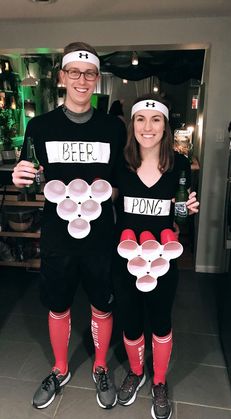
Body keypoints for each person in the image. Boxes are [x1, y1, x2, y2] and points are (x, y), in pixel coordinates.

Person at [12, 41, 126, 410]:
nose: (82, 79)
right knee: (58, 305)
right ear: (62, 77)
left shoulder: (113, 128)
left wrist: (108, 194)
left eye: (89, 73)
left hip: (99, 237)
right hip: (58, 235)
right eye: (74, 72)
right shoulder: (39, 126)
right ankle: (60, 369)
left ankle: (99, 366)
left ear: (97, 79)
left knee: (101, 305)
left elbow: (125, 182)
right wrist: (20, 176)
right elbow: (30, 176)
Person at [112, 94, 199, 419]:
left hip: (163, 260)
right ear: (132, 124)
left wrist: (187, 212)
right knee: (131, 321)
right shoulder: (120, 163)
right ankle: (137, 372)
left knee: (161, 321)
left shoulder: (178, 165)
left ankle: (159, 381)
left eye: (156, 119)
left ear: (166, 125)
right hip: (124, 258)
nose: (147, 127)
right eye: (140, 119)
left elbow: (179, 218)